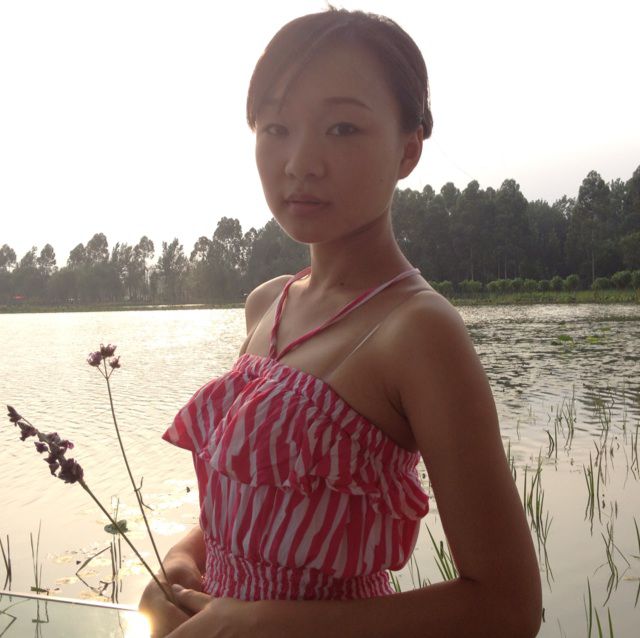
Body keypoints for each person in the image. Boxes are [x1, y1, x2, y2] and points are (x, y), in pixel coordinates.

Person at [139, 7, 542, 637]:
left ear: (409, 149)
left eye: (342, 128)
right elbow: (258, 505)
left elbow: (507, 607)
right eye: (276, 127)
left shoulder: (418, 330)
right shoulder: (267, 304)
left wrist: (265, 624)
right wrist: (183, 557)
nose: (301, 161)